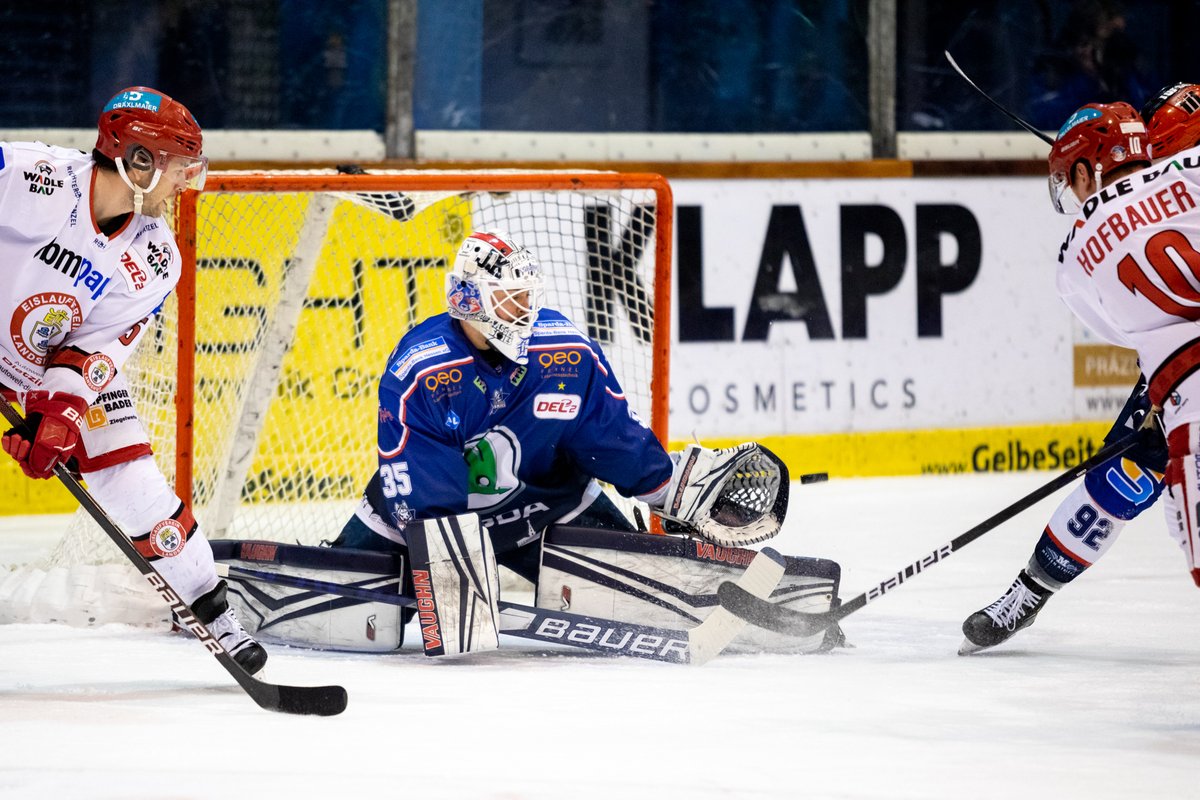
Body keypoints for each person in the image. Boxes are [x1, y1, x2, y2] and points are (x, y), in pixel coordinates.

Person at [333, 228, 771, 590]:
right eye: (509, 298)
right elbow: (427, 500)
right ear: (470, 299)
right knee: (352, 597)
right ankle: (340, 571)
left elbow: (609, 435)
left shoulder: (565, 352)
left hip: (546, 505)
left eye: (526, 297)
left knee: (643, 586)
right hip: (429, 525)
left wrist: (663, 484)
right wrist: (454, 575)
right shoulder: (422, 370)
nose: (523, 310)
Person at [0, 87, 267, 673]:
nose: (181, 185)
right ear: (138, 160)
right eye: (177, 167)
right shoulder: (33, 179)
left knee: (132, 481)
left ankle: (210, 605)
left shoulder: (155, 254)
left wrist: (58, 418)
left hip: (41, 364)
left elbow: (93, 349)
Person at [962, 99, 1200, 655]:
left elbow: (1126, 326)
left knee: (1142, 486)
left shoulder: (1076, 257)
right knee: (1123, 473)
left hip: (1182, 373)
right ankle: (1029, 592)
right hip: (1180, 372)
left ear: (1085, 168)